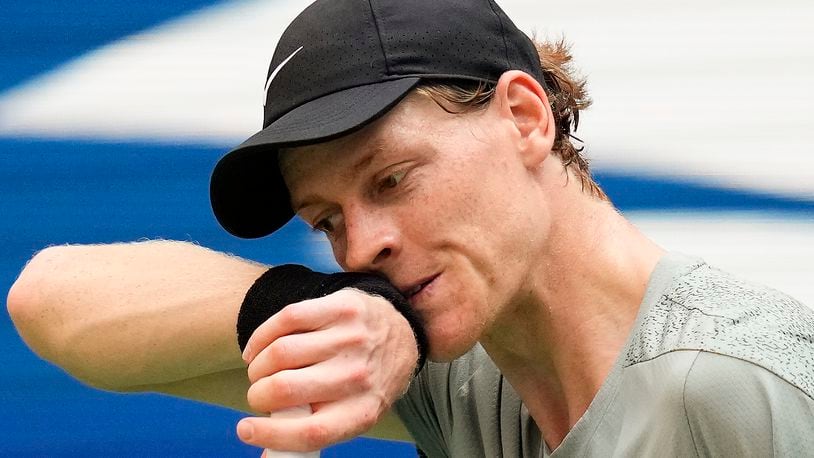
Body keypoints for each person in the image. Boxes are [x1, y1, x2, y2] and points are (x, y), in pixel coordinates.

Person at [8, 0, 814, 456]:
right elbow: (48, 303)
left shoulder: (735, 383)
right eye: (326, 220)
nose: (361, 250)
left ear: (526, 118)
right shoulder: (465, 367)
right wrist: (315, 306)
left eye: (392, 179)